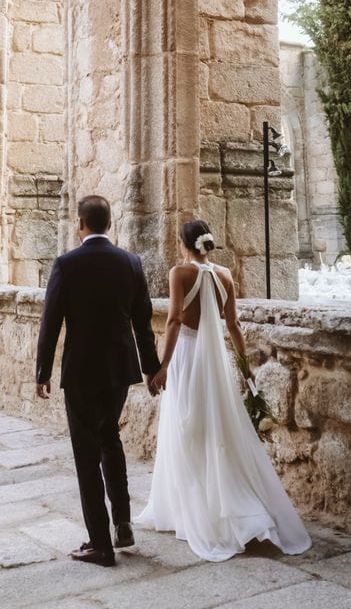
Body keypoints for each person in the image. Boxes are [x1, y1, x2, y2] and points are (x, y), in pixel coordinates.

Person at [135, 219, 311, 562]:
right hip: (216, 364)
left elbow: (173, 320)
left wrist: (163, 365)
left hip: (186, 357)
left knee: (188, 429)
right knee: (218, 430)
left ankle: (195, 511)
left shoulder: (179, 273)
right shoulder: (225, 275)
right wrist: (245, 371)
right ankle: (234, 507)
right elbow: (233, 325)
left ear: (183, 242)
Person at [36, 194, 161, 567]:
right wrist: (152, 368)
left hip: (81, 373)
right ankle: (122, 523)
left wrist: (42, 371)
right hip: (118, 371)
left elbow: (51, 322)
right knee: (110, 438)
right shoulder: (131, 263)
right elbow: (143, 322)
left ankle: (99, 543)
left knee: (86, 454)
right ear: (110, 224)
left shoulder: (66, 263)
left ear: (80, 224)